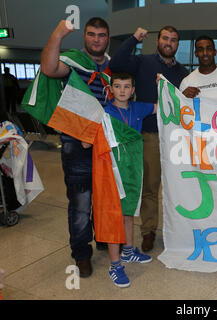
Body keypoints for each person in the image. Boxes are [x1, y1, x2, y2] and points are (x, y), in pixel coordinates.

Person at [40, 17, 111, 278]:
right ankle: (81, 253)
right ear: (85, 37)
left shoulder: (112, 68)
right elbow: (48, 69)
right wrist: (58, 34)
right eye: (91, 34)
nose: (96, 39)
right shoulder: (74, 63)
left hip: (105, 143)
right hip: (76, 144)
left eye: (101, 35)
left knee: (104, 198)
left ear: (107, 38)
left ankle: (104, 237)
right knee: (81, 203)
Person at [109, 26, 189, 253]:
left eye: (174, 40)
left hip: (176, 138)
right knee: (151, 187)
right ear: (158, 40)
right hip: (151, 136)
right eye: (165, 38)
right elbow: (116, 64)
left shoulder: (183, 73)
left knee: (178, 186)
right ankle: (148, 231)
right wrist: (134, 38)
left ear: (177, 45)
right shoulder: (143, 62)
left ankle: (180, 229)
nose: (169, 42)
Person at [103, 72, 157, 287]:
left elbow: (161, 106)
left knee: (128, 212)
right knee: (114, 216)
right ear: (111, 89)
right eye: (117, 86)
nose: (122, 90)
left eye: (127, 87)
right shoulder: (105, 113)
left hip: (132, 170)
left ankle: (128, 251)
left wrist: (163, 86)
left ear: (133, 90)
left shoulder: (138, 108)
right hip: (113, 170)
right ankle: (115, 265)